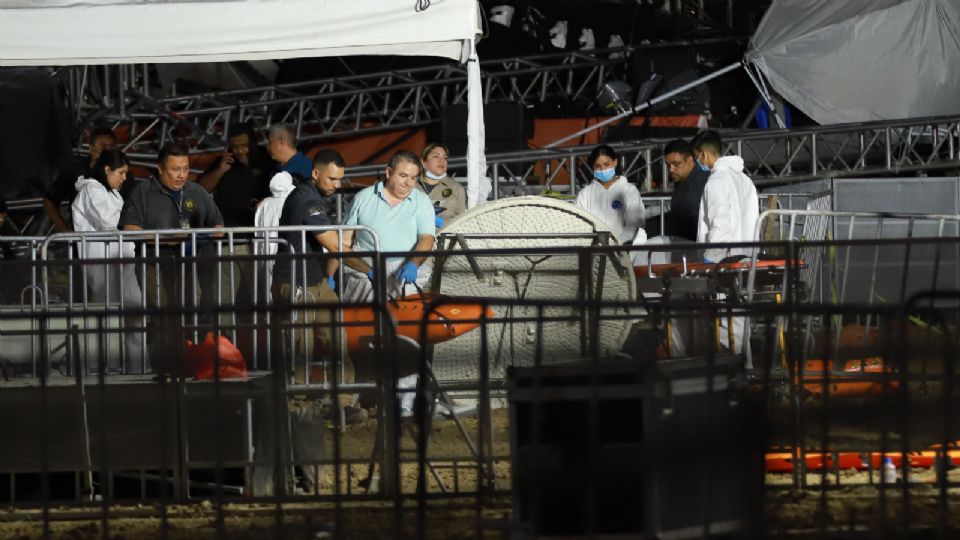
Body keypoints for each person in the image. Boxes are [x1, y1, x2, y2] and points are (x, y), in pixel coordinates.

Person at [119, 142, 225, 374]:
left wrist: (197, 236)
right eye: (175, 169)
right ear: (160, 168)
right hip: (154, 264)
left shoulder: (197, 191)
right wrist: (169, 239)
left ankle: (193, 367)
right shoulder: (142, 192)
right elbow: (129, 228)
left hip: (192, 265)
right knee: (162, 317)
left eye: (186, 169)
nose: (182, 175)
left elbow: (218, 226)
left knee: (194, 314)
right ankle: (163, 371)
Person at [197, 123, 271, 361]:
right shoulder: (224, 165)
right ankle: (226, 354)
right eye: (235, 146)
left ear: (253, 143)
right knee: (222, 303)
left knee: (259, 301)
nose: (239, 151)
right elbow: (200, 189)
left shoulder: (266, 165)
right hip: (225, 244)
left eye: (243, 146)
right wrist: (221, 169)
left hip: (255, 244)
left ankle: (261, 354)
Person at [71, 148, 148, 372]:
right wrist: (134, 217)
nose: (125, 178)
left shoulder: (112, 193)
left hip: (121, 263)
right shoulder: (91, 190)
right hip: (102, 265)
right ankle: (105, 370)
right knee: (107, 318)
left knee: (134, 314)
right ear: (107, 169)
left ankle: (137, 369)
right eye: (121, 173)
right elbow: (107, 221)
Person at [340, 150, 436, 304]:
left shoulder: (422, 201)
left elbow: (427, 239)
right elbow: (344, 242)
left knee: (405, 322)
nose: (409, 183)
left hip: (405, 266)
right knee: (364, 320)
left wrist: (413, 263)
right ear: (388, 172)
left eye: (413, 178)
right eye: (403, 176)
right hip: (366, 268)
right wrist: (331, 274)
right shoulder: (363, 198)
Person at [692, 130, 759, 263]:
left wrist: (710, 258)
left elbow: (721, 225)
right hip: (746, 257)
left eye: (696, 157)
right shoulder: (744, 179)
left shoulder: (716, 181)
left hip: (724, 261)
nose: (696, 162)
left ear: (703, 154)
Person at [44, 126, 117, 233]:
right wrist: (65, 230)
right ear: (91, 148)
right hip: (81, 238)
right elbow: (49, 201)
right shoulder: (75, 170)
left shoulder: (121, 173)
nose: (106, 150)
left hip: (113, 238)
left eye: (110, 146)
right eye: (102, 146)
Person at [575, 144, 645, 243]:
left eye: (607, 164)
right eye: (598, 166)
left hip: (623, 249)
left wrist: (617, 243)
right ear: (593, 167)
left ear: (615, 162)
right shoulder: (585, 194)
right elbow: (579, 224)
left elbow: (635, 224)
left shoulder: (629, 191)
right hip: (593, 251)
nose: (603, 169)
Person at [647, 139, 710, 241]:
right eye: (668, 165)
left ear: (690, 161)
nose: (671, 169)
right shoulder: (682, 178)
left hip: (694, 247)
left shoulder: (703, 184)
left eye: (676, 164)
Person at [254, 171, 296, 296]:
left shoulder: (265, 203)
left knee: (268, 291)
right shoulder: (293, 201)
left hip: (265, 251)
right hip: (284, 252)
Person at [416, 143, 466, 227]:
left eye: (445, 157)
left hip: (445, 237)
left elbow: (463, 223)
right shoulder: (411, 185)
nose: (442, 160)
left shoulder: (457, 189)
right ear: (424, 162)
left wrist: (441, 223)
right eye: (436, 156)